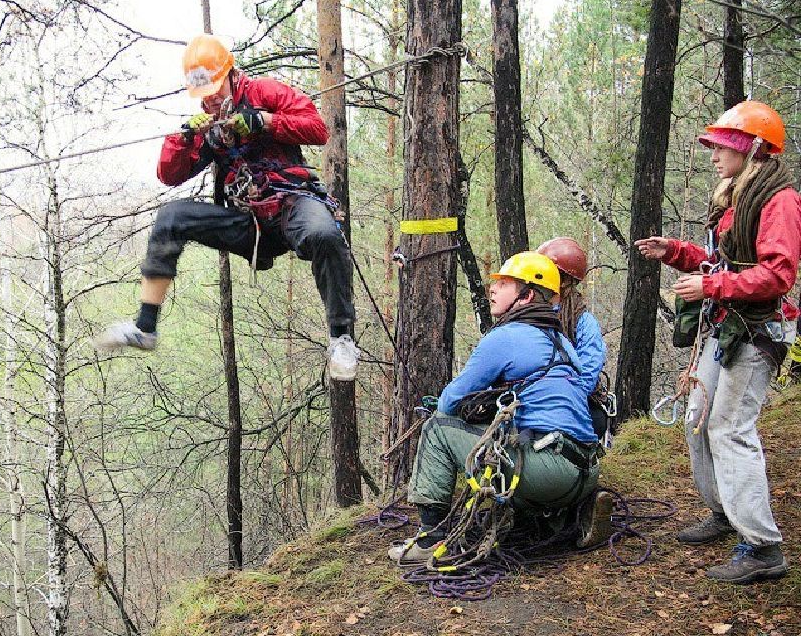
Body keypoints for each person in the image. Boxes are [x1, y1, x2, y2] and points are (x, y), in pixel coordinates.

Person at [94, 34, 360, 380]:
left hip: (292, 204)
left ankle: (341, 338)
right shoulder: (208, 127)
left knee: (325, 234)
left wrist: (265, 121)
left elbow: (317, 128)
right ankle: (145, 328)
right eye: (204, 96)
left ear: (232, 75)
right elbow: (169, 175)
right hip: (248, 223)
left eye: (216, 90)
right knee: (171, 217)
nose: (212, 101)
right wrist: (183, 138)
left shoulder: (265, 93)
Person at [636, 100, 800, 584]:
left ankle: (764, 547)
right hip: (729, 324)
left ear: (753, 149)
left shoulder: (779, 200)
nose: (713, 154)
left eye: (723, 145)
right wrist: (676, 253)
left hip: (758, 329)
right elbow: (719, 260)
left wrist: (712, 287)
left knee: (729, 429)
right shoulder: (735, 196)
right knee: (699, 419)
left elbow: (777, 275)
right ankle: (726, 513)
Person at [388, 252, 610, 565]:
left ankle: (430, 538)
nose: (493, 289)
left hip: (548, 473)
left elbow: (451, 401)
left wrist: (449, 407)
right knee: (515, 440)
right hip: (585, 470)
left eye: (504, 284)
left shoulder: (505, 337)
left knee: (437, 428)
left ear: (527, 295)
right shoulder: (562, 341)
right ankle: (563, 516)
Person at [536, 238, 609, 442]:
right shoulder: (525, 313)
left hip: (571, 401)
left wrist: (559, 402)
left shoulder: (583, 321)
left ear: (564, 279)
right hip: (530, 398)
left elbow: (588, 370)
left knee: (595, 421)